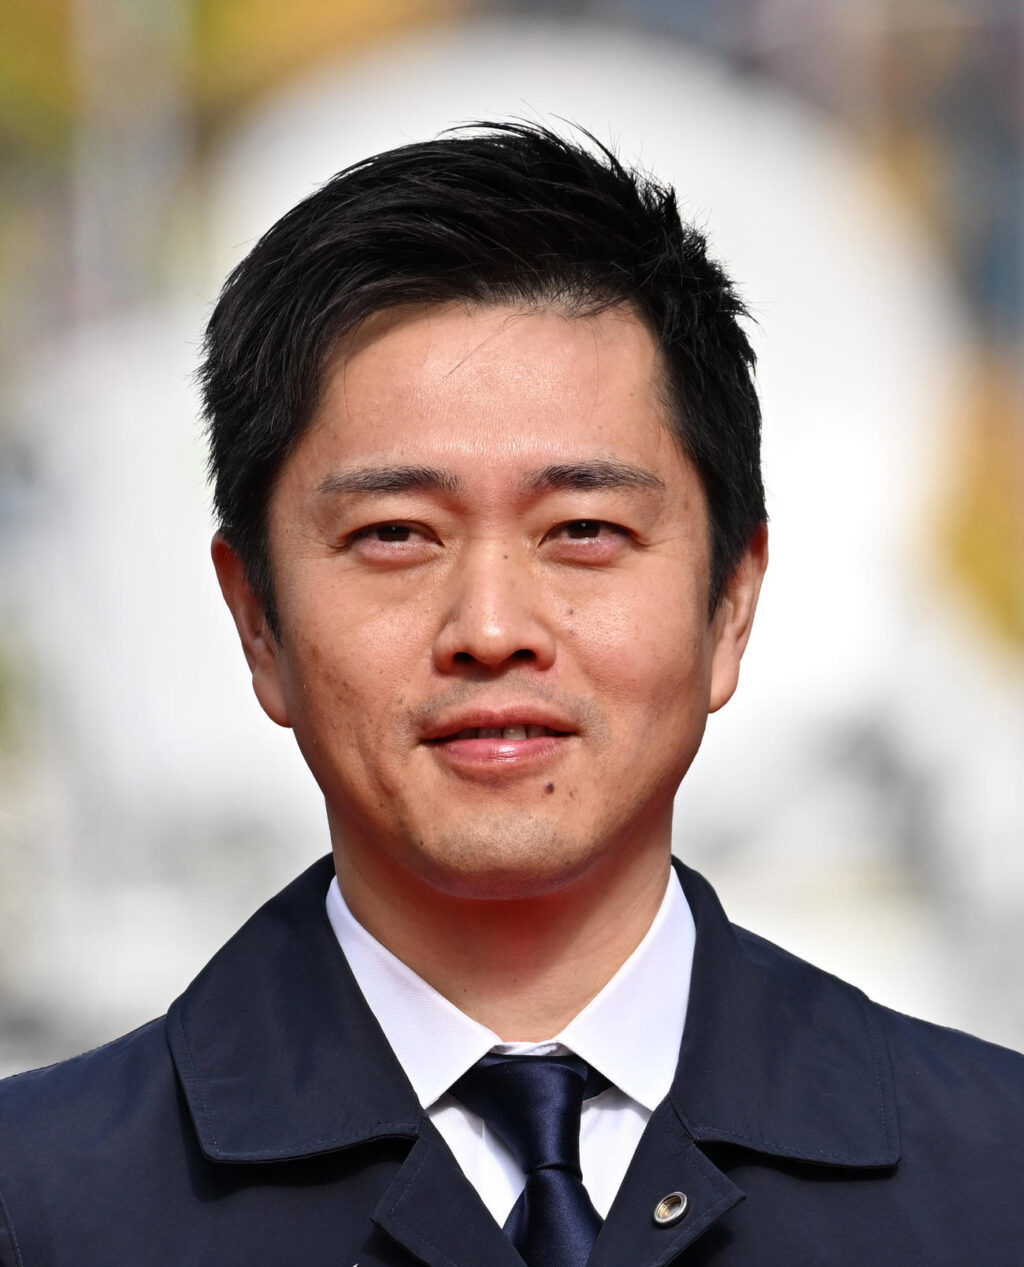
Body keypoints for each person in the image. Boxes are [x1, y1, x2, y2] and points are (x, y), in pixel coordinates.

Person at [1, 122, 1022, 1267]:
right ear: (257, 620)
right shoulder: (39, 1209)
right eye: (395, 534)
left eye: (582, 529)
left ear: (730, 603)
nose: (490, 629)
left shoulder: (995, 1184)